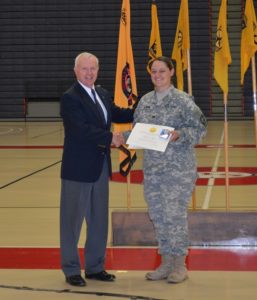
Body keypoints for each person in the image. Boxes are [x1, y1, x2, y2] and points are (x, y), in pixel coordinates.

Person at [129, 56, 207, 283]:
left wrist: (180, 134)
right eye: (154, 71)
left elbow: (201, 128)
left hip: (178, 171)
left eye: (162, 71)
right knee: (159, 217)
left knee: (174, 216)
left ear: (171, 72)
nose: (158, 75)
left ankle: (180, 265)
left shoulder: (183, 101)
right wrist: (118, 137)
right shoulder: (145, 101)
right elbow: (138, 132)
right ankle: (165, 263)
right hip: (153, 171)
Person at [60, 52, 134, 287]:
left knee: (98, 219)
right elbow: (80, 131)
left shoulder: (101, 93)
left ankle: (94, 267)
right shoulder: (70, 98)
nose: (89, 73)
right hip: (78, 169)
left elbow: (117, 113)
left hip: (100, 166)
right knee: (72, 222)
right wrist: (111, 138)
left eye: (93, 68)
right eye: (84, 69)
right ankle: (71, 269)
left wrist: (144, 107)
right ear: (76, 71)